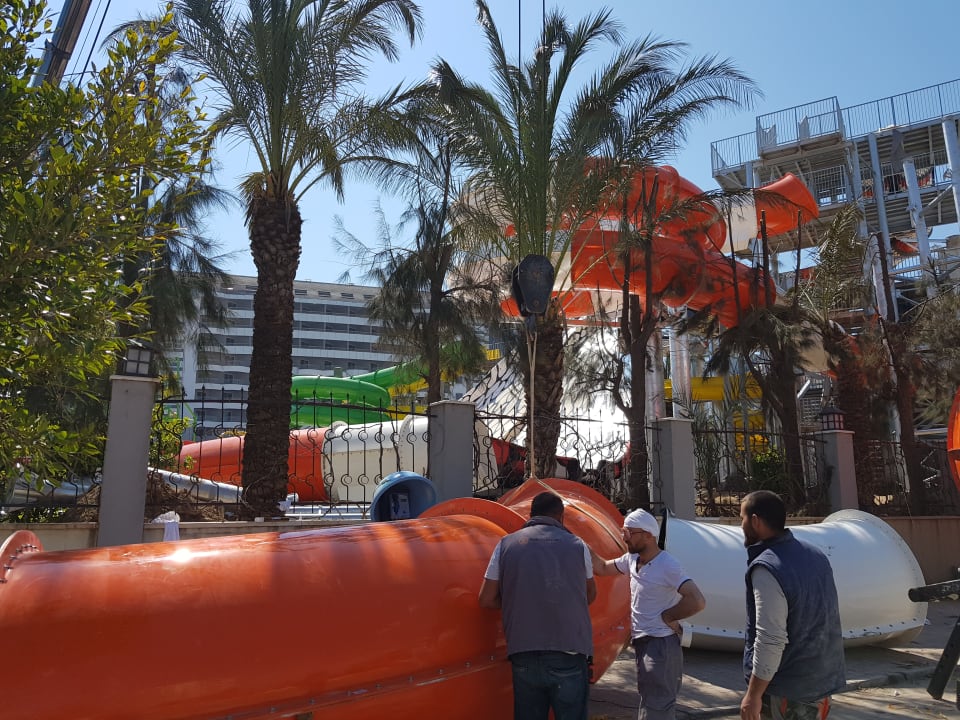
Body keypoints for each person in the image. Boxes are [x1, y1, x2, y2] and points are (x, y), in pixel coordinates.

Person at [478, 491, 597, 720]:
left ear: (531, 515)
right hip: (569, 650)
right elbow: (590, 593)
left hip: (524, 650)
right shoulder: (577, 545)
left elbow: (486, 599)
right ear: (561, 516)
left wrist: (519, 599)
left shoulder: (506, 544)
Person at [739, 490, 845, 720]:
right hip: (820, 684)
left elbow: (771, 638)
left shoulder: (767, 568)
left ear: (755, 521)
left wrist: (753, 695)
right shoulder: (815, 555)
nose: (741, 526)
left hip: (786, 692)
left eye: (742, 519)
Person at [592, 508, 706, 720]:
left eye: (629, 532)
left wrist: (668, 616)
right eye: (623, 532)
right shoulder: (632, 560)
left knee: (657, 706)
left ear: (648, 535)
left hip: (661, 645)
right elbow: (602, 568)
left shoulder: (667, 564)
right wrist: (578, 543)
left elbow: (697, 600)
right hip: (644, 642)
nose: (624, 537)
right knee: (651, 701)